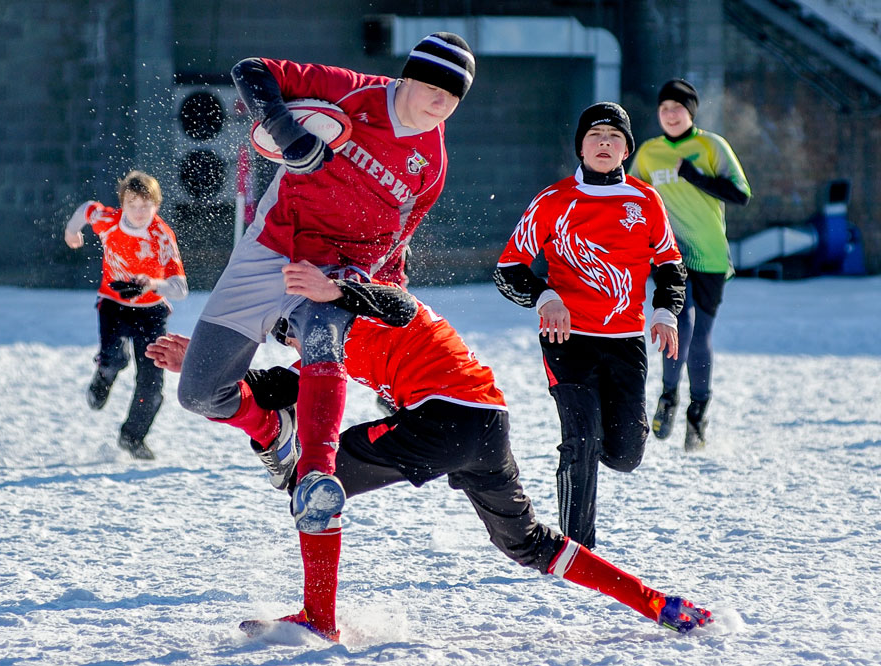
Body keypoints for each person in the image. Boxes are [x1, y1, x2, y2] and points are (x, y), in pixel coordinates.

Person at [146, 263, 712, 642]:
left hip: (448, 419)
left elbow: (387, 302)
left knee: (314, 481)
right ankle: (657, 604)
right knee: (529, 544)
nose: (292, 338)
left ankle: (320, 618)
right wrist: (205, 360)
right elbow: (286, 384)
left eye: (288, 328)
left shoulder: (370, 311)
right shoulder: (341, 343)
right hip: (489, 425)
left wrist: (337, 291)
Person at [176, 33, 476, 533]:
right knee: (201, 394)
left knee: (322, 335)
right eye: (434, 87)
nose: (441, 103)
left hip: (339, 268)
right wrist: (287, 132)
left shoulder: (433, 165)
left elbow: (394, 244)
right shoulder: (351, 92)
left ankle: (316, 470)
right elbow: (252, 68)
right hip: (274, 243)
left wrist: (360, 293)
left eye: (454, 97)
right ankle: (274, 427)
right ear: (409, 76)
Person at [493, 103, 687, 551]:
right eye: (595, 135)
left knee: (623, 455)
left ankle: (596, 446)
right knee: (580, 439)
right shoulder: (554, 201)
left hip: (625, 343)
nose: (604, 143)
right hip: (568, 340)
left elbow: (671, 266)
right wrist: (545, 296)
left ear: (626, 149)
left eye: (614, 136)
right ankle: (577, 549)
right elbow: (509, 270)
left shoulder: (645, 200)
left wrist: (664, 312)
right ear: (580, 146)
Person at [629, 79, 752, 451]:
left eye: (677, 108)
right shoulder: (649, 152)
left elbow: (741, 194)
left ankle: (698, 411)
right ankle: (669, 397)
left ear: (690, 112)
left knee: (701, 338)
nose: (670, 114)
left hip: (711, 255)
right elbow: (632, 200)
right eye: (664, 108)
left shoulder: (711, 146)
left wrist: (696, 176)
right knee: (677, 325)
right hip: (670, 256)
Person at [64, 170, 188, 460]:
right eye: (133, 204)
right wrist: (72, 231)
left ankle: (132, 436)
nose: (140, 211)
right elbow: (86, 209)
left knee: (152, 384)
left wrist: (153, 283)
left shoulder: (161, 235)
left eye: (147, 205)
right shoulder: (109, 221)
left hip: (151, 312)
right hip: (113, 304)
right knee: (115, 357)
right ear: (123, 204)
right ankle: (103, 377)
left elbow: (181, 288)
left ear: (156, 205)